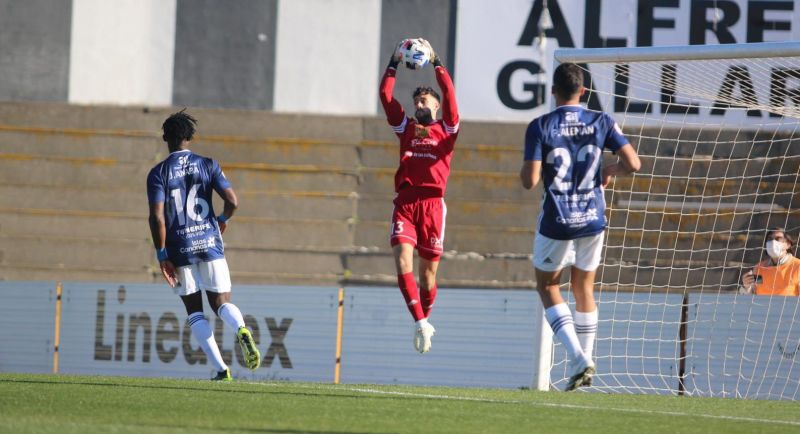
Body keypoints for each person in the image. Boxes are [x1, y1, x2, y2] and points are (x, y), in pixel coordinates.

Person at [520, 63, 641, 391]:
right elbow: (633, 163)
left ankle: (578, 359)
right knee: (584, 288)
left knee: (548, 287)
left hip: (558, 219)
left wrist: (529, 168)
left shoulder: (540, 126)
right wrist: (609, 170)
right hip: (592, 217)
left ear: (553, 91)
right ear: (584, 91)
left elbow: (530, 181)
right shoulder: (602, 121)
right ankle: (584, 365)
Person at [147, 109, 261, 380]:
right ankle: (241, 329)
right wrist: (222, 219)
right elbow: (232, 202)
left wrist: (162, 253)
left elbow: (157, 217)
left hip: (179, 248)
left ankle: (222, 370)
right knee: (221, 303)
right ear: (190, 137)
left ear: (165, 138)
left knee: (194, 311)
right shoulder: (208, 164)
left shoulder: (158, 173)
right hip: (210, 241)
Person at [379, 38, 459, 353]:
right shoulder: (406, 128)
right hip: (406, 202)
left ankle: (424, 320)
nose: (419, 105)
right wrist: (394, 61)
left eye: (425, 101)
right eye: (417, 102)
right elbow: (385, 96)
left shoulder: (448, 129)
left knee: (428, 278)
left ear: (436, 106)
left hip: (433, 206)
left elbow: (449, 93)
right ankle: (420, 322)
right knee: (402, 259)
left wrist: (437, 61)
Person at [740, 228, 800, 296]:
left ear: (788, 244)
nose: (773, 242)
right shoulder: (759, 268)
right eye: (770, 239)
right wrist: (746, 286)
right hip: (761, 303)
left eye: (778, 239)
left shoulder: (797, 266)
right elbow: (751, 295)